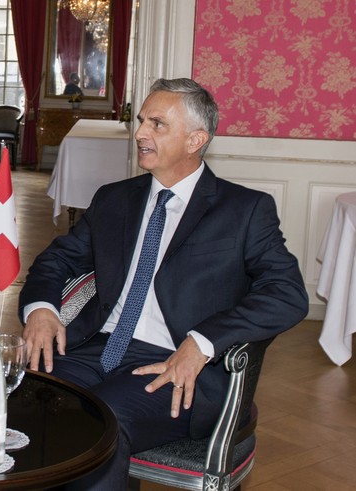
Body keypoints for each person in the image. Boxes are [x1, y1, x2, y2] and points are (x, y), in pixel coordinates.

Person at [18, 78, 307, 488]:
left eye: (157, 124)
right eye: (141, 121)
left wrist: (204, 341)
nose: (139, 133)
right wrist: (42, 310)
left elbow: (287, 293)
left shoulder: (244, 210)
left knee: (102, 422)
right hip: (95, 346)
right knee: (26, 401)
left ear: (195, 140)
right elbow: (56, 259)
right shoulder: (115, 198)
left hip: (175, 363)